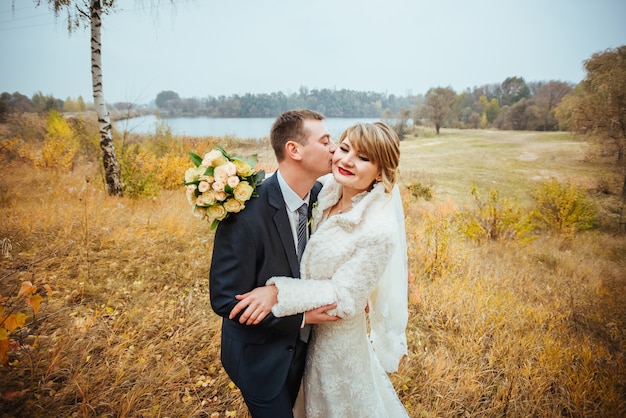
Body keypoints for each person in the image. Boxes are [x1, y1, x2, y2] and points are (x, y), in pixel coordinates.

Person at [230, 122, 410, 417]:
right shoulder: (325, 190)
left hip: (334, 346)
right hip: (295, 339)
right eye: (345, 148)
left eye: (363, 158)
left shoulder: (379, 230)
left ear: (380, 172)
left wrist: (278, 292)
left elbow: (346, 296)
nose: (347, 160)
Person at [209, 109, 340, 418]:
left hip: (311, 356)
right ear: (294, 150)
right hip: (260, 360)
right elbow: (225, 298)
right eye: (325, 141)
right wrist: (301, 317)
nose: (335, 148)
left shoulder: (323, 198)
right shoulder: (245, 212)